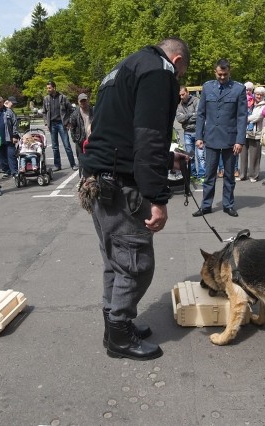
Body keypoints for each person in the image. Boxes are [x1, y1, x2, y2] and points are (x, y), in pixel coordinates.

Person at [79, 37, 190, 361]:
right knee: (135, 264)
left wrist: (167, 159)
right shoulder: (159, 71)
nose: (179, 77)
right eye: (181, 71)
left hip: (100, 178)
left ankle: (115, 325)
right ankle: (119, 334)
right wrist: (157, 197)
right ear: (177, 59)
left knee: (116, 261)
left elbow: (120, 133)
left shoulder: (122, 68)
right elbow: (149, 136)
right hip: (121, 186)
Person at [193, 59, 247, 217]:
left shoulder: (238, 89)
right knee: (209, 175)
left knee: (229, 176)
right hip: (211, 138)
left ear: (229, 72)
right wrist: (199, 136)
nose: (222, 77)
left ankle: (228, 204)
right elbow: (201, 114)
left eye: (225, 74)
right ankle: (206, 205)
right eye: (219, 74)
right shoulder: (207, 87)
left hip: (230, 140)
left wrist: (239, 140)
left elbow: (242, 117)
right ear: (215, 72)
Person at [43, 81, 78, 171]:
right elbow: (44, 112)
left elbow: (71, 110)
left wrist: (69, 122)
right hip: (52, 125)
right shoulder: (46, 99)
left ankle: (73, 164)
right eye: (47, 88)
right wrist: (46, 123)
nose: (48, 90)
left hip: (62, 124)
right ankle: (57, 165)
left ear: (54, 88)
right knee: (55, 147)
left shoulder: (63, 98)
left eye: (49, 88)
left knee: (67, 145)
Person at [176, 86, 203, 182]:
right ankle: (193, 174)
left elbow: (199, 115)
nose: (182, 97)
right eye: (180, 95)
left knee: (201, 155)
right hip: (187, 132)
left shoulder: (196, 101)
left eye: (183, 94)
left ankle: (202, 176)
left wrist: (186, 117)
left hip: (198, 131)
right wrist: (190, 115)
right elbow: (179, 119)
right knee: (189, 156)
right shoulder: (179, 105)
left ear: (187, 92)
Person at [242, 86, 265, 182]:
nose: (259, 96)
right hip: (245, 132)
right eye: (257, 94)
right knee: (243, 155)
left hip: (256, 132)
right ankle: (242, 175)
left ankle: (254, 175)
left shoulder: (264, 104)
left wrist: (244, 119)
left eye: (261, 94)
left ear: (264, 95)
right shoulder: (249, 102)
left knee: (255, 156)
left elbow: (258, 116)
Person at [0, 96, 19, 178]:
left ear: (3, 102)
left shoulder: (9, 111)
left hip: (9, 138)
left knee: (11, 155)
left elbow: (15, 124)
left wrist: (15, 136)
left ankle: (14, 172)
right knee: (1, 158)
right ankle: (7, 171)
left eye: (0, 102)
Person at [69, 93, 94, 164]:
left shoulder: (93, 111)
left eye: (84, 100)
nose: (83, 103)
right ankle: (82, 173)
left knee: (92, 158)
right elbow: (72, 128)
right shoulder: (75, 114)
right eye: (81, 101)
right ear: (78, 102)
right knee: (81, 160)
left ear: (87, 100)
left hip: (92, 139)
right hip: (80, 140)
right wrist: (75, 139)